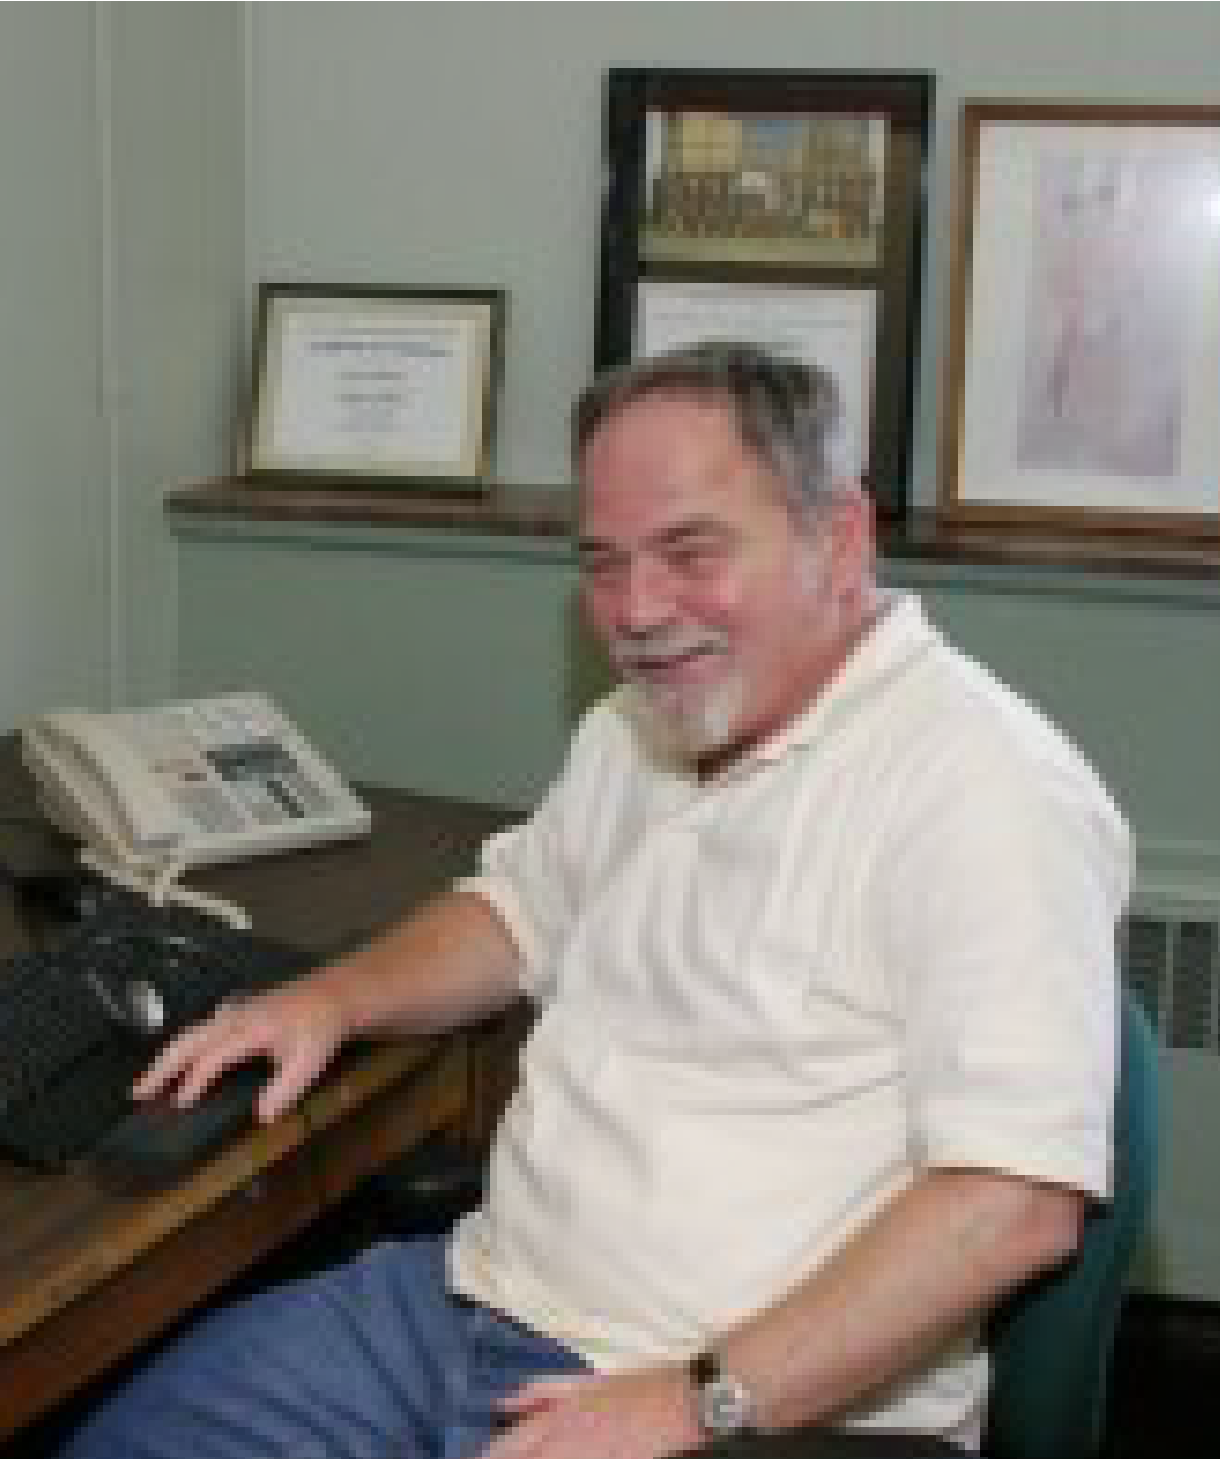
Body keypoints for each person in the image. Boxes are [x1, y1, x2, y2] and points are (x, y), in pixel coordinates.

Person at [60, 342, 1129, 1459]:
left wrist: (690, 1399)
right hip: (474, 1302)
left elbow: (1012, 1201)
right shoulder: (640, 725)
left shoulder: (983, 786)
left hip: (754, 1405)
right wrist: (328, 999)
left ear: (840, 536)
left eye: (689, 552)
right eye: (602, 564)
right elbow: (515, 912)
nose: (636, 611)